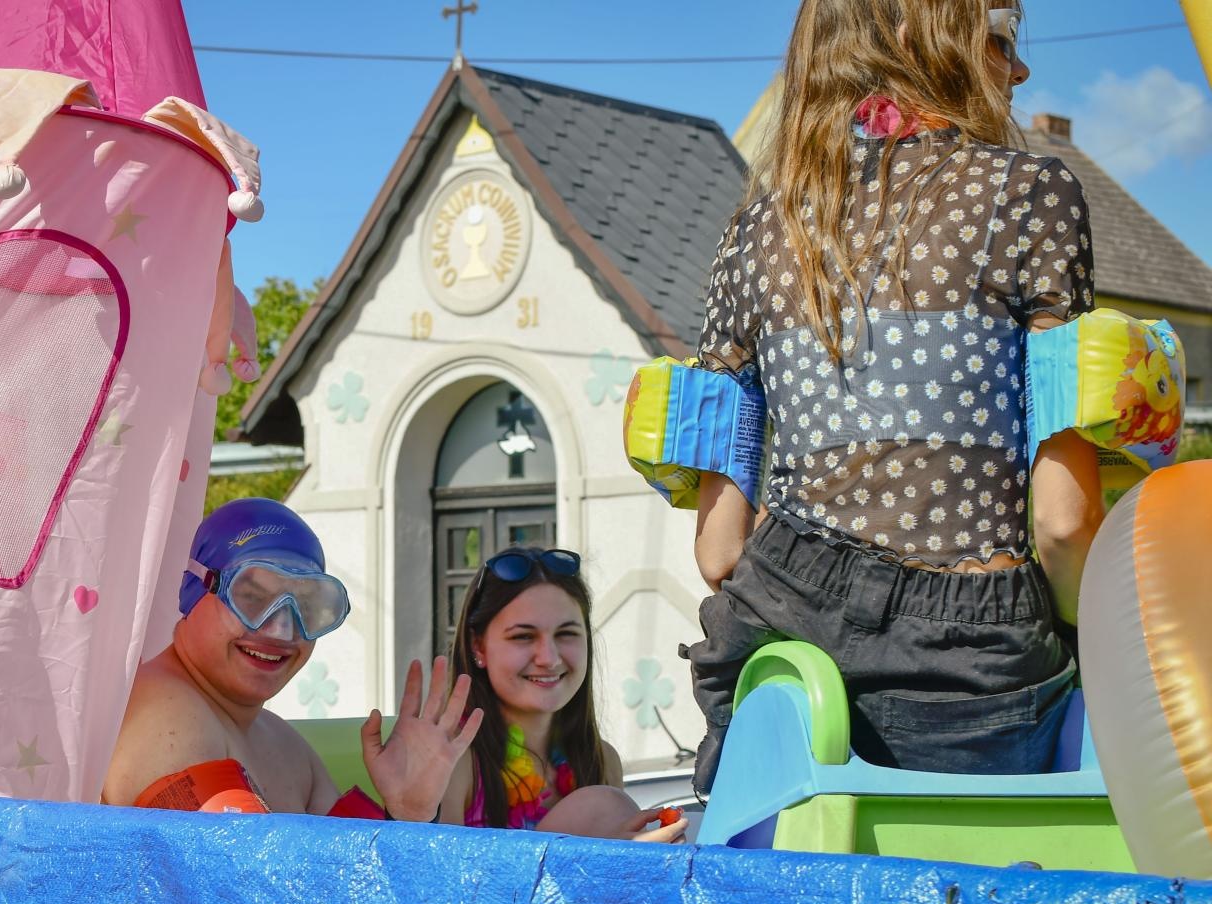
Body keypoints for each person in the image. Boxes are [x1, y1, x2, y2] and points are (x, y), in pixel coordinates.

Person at [682, 0, 1104, 796]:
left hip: (780, 637)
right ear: (915, 32)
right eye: (1001, 39)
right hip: (969, 652)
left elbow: (720, 551)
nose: (1018, 70)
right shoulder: (1030, 196)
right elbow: (1063, 522)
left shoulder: (756, 227)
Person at [103, 497, 481, 820]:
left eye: (308, 605)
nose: (282, 630)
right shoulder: (167, 717)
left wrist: (409, 814)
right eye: (251, 597)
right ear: (193, 591)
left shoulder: (285, 745)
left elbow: (362, 886)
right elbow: (234, 894)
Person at [435, 546, 688, 843]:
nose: (549, 658)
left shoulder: (602, 761)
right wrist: (614, 861)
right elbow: (436, 884)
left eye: (566, 633)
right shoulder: (456, 758)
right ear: (478, 647)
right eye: (523, 636)